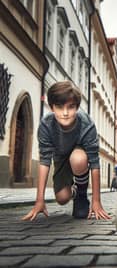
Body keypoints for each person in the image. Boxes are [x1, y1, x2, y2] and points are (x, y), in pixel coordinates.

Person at [22, 81, 110, 221]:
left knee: (78, 158)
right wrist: (39, 200)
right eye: (59, 107)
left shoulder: (87, 124)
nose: (65, 113)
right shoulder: (46, 125)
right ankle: (73, 191)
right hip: (61, 159)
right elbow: (45, 161)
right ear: (51, 107)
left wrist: (96, 201)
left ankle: (81, 194)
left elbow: (94, 163)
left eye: (71, 107)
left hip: (78, 154)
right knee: (62, 198)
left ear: (77, 107)